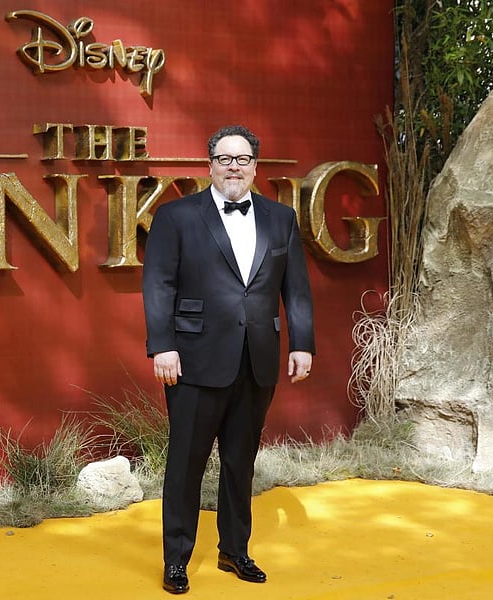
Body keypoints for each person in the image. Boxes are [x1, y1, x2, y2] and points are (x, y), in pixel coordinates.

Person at [142, 125, 315, 594]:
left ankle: (234, 551)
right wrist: (162, 345)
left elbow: (295, 288)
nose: (233, 166)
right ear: (210, 165)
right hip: (193, 361)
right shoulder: (176, 216)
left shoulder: (281, 219)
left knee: (241, 463)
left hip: (256, 361)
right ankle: (176, 559)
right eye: (224, 158)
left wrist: (302, 343)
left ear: (255, 167)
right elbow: (159, 285)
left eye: (242, 159)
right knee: (186, 464)